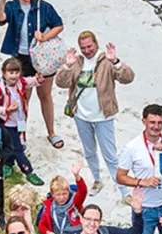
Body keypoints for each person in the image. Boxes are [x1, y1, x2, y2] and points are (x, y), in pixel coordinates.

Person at [54, 31, 134, 187]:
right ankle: (97, 179)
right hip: (81, 115)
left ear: (96, 44)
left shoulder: (106, 61)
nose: (86, 50)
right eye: (83, 47)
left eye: (89, 46)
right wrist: (67, 66)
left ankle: (121, 186)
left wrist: (116, 61)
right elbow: (61, 83)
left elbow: (128, 78)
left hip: (103, 116)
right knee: (89, 152)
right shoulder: (77, 62)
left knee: (110, 154)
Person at [0, 0, 66, 145]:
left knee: (45, 95)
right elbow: (0, 18)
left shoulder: (43, 6)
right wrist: (2, 0)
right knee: (22, 98)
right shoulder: (12, 6)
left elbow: (59, 25)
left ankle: (51, 132)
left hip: (42, 57)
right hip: (20, 59)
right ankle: (21, 134)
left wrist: (44, 37)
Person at [116, 103, 162, 234]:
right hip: (145, 208)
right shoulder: (132, 147)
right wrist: (142, 182)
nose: (156, 127)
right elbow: (120, 177)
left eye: (160, 123)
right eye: (152, 122)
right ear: (143, 121)